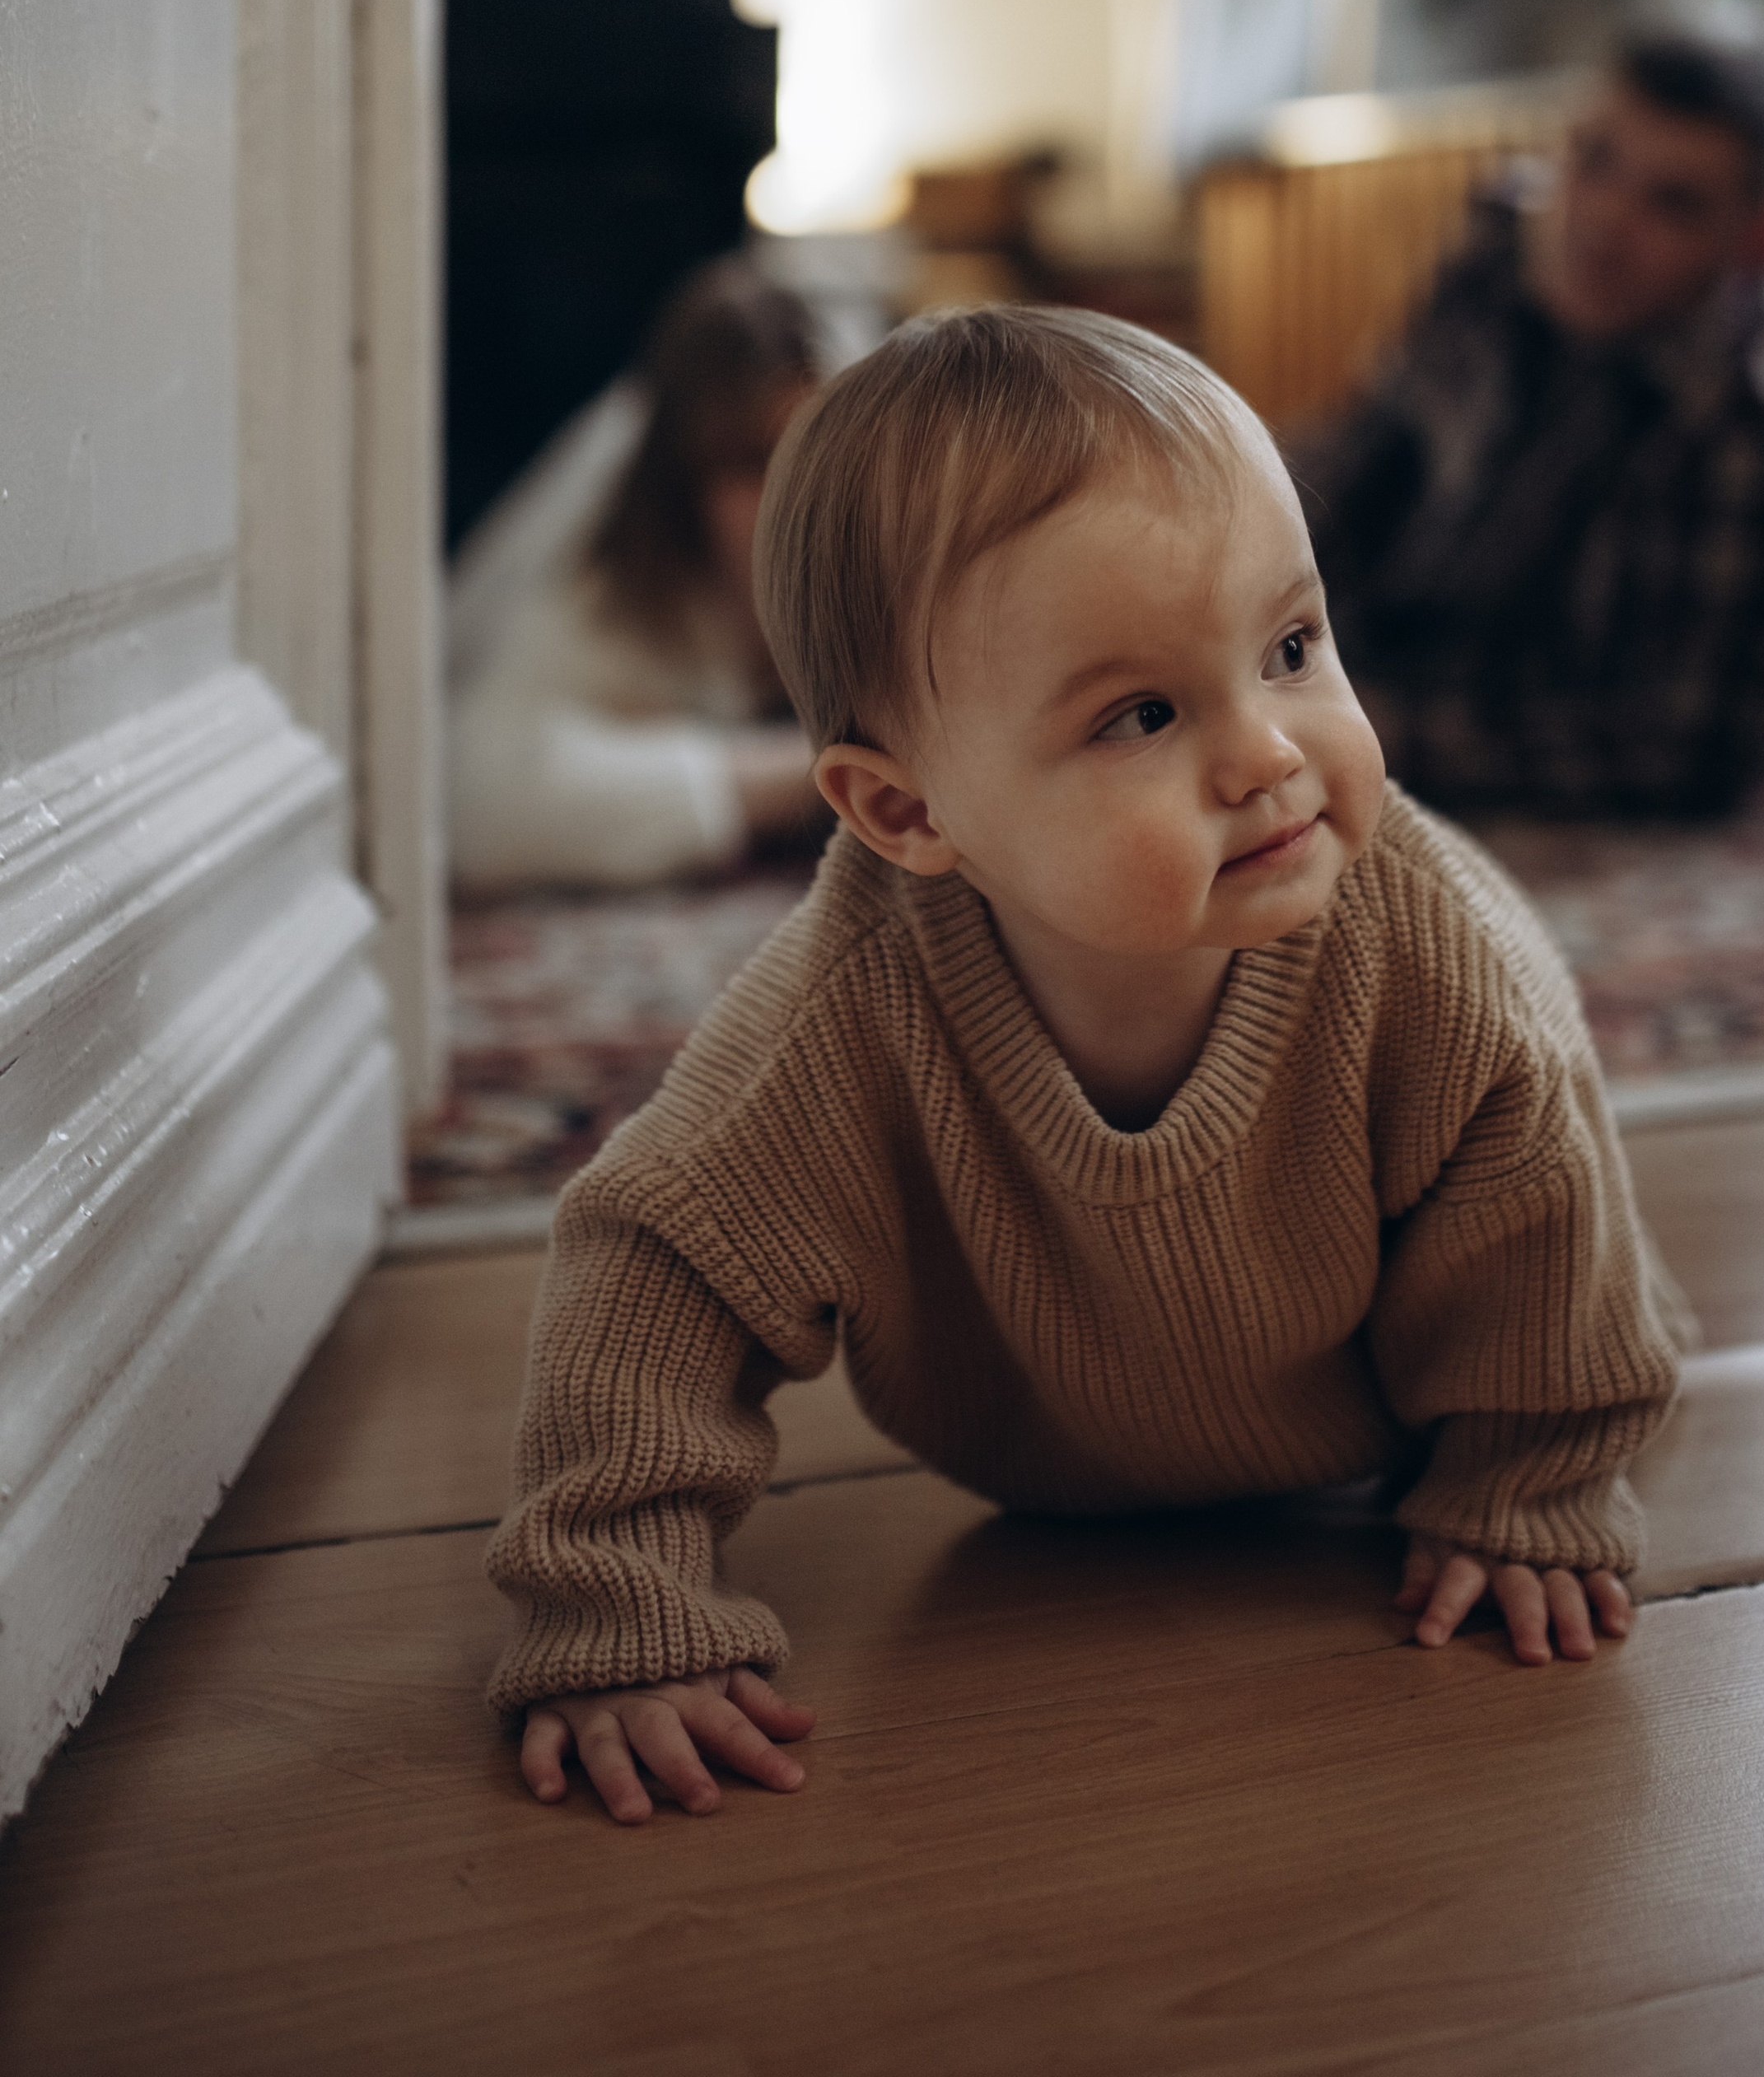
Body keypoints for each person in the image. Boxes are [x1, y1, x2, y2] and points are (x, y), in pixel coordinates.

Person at [483, 305, 1685, 1823]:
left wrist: (1530, 1490)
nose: (1269, 753)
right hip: (1032, 1471)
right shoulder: (848, 1012)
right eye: (1142, 714)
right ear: (907, 815)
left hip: (1382, 1441)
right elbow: (655, 1259)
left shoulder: (1430, 956)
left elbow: (1545, 1226)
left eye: (1293, 646)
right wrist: (614, 1607)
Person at [1300, 30, 1764, 819]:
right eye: (1593, 158)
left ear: (1757, 240)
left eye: (1673, 203)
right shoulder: (1504, 235)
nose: (1602, 220)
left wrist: (1372, 730)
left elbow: (1687, 748)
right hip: (1401, 639)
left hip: (1528, 700)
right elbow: (1372, 446)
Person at [447, 259, 824, 892]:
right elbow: (474, 801)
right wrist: (796, 777)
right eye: (753, 466)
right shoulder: (603, 575)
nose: (795, 497)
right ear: (683, 486)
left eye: (813, 453)